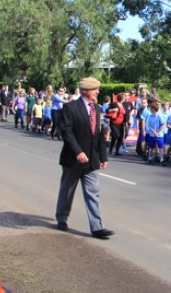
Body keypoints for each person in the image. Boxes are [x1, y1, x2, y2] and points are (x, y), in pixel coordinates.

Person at [54, 77, 114, 240]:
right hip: (73, 159)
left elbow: (101, 134)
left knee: (93, 193)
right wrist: (78, 152)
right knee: (67, 191)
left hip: (92, 159)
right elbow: (66, 132)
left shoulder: (98, 108)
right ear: (87, 91)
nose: (98, 92)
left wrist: (103, 156)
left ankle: (97, 227)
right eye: (96, 89)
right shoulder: (70, 107)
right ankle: (61, 218)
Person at [145, 100, 166, 165]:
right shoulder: (150, 116)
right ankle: (150, 158)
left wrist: (158, 132)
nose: (151, 109)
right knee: (151, 147)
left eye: (151, 108)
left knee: (160, 147)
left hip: (159, 135)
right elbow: (149, 125)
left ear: (154, 109)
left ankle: (161, 159)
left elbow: (162, 125)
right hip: (152, 134)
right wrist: (154, 132)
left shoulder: (159, 116)